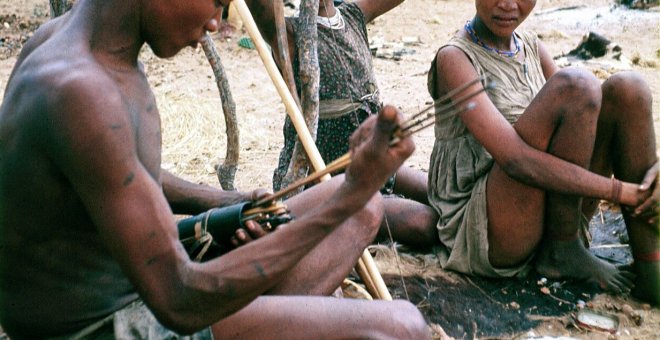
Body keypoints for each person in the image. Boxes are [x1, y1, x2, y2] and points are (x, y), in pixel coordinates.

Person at [0, 0, 433, 338]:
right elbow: (179, 300)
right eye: (216, 2)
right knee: (399, 327)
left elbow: (116, 169)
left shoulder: (66, 42)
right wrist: (349, 193)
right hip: (98, 324)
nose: (214, 23)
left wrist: (229, 202)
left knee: (367, 209)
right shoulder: (82, 92)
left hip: (133, 278)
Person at [391, 0, 660, 304]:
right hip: (491, 225)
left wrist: (647, 174)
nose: (508, 4)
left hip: (552, 213)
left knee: (630, 89)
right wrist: (619, 191)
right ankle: (563, 248)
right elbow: (516, 160)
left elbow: (581, 121)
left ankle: (651, 267)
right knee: (577, 83)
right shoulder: (455, 59)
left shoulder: (532, 47)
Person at [248, 0, 439, 246]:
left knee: (439, 194)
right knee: (423, 223)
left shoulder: (353, 15)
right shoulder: (288, 34)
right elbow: (259, 8)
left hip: (372, 161)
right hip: (326, 178)